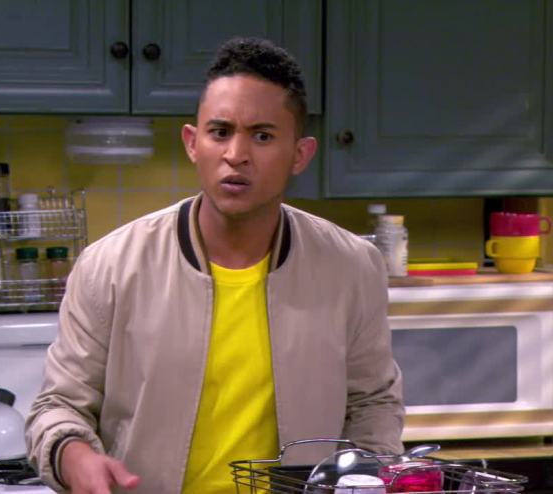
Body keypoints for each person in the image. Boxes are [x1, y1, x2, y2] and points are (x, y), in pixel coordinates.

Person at [25, 36, 404, 494]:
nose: (235, 154)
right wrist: (73, 455)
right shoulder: (110, 266)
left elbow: (373, 403)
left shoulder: (351, 268)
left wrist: (366, 477)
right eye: (220, 132)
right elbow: (58, 406)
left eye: (262, 136)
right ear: (193, 142)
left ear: (300, 154)